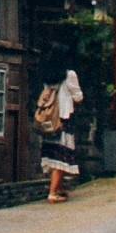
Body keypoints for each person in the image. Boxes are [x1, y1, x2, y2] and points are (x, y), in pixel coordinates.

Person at [37, 53, 84, 202]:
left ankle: (59, 188)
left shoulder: (48, 76)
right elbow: (78, 97)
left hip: (49, 120)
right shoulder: (69, 75)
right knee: (61, 155)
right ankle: (52, 193)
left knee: (53, 154)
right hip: (63, 118)